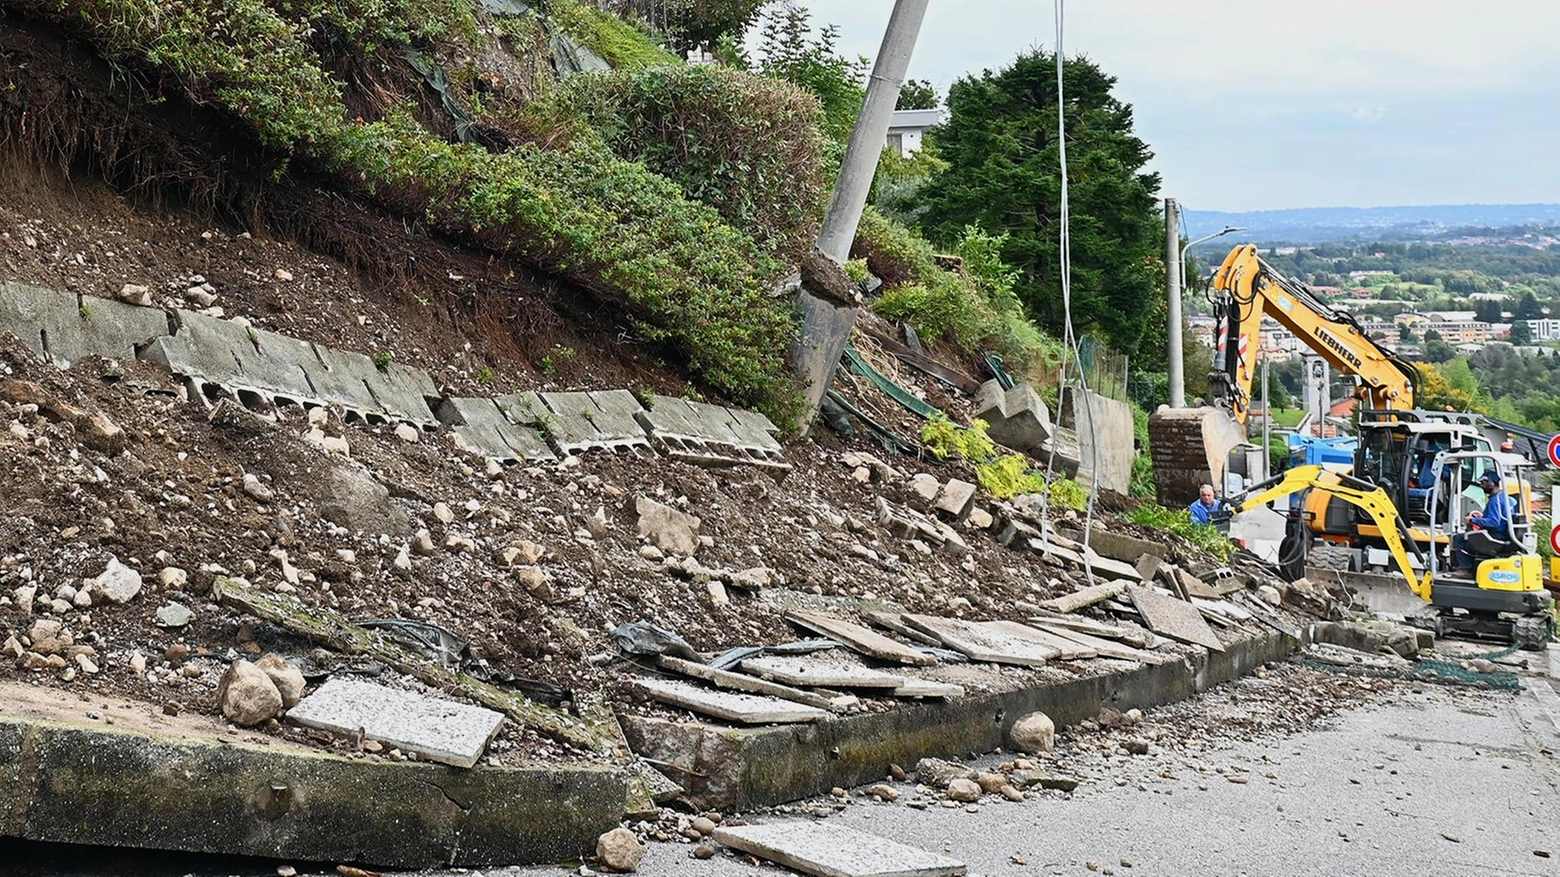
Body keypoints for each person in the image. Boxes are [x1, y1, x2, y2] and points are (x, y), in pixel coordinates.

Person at [1450, 472, 1514, 571]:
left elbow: (1494, 522)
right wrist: (1480, 518)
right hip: (1503, 534)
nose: (1481, 485)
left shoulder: (1494, 500)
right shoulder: (1504, 497)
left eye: (1483, 482)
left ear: (1491, 483)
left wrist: (1472, 520)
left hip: (1495, 536)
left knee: (1458, 538)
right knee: (1470, 536)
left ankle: (1465, 568)